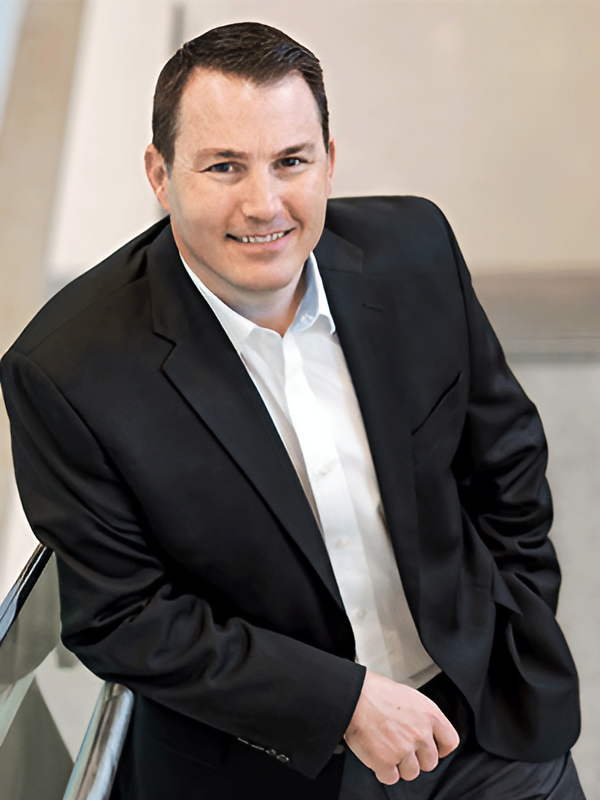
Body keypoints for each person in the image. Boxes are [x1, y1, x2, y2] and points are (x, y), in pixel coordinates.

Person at [0, 21, 585, 800]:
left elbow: (505, 453)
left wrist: (511, 619)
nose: (264, 203)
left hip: (483, 727)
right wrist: (340, 705)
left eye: (291, 162)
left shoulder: (416, 251)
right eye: (224, 166)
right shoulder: (68, 370)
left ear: (329, 161)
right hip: (275, 769)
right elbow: (123, 616)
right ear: (159, 172)